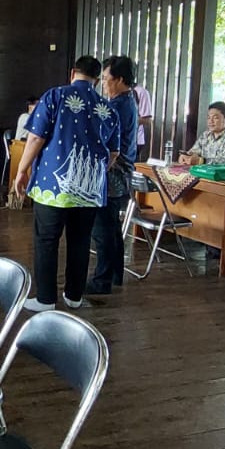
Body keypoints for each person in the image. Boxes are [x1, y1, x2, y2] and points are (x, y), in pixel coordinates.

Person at [14, 56, 118, 313]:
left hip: (53, 186)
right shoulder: (108, 108)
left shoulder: (55, 96)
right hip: (90, 191)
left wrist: (21, 170)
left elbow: (35, 138)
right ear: (96, 80)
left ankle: (46, 299)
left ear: (72, 73)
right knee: (80, 241)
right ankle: (74, 296)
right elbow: (113, 152)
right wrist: (96, 173)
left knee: (47, 240)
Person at [88, 55, 139, 297]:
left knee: (103, 229)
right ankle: (115, 275)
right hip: (123, 171)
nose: (103, 84)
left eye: (106, 78)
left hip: (113, 172)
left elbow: (103, 142)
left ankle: (102, 281)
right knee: (111, 227)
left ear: (119, 79)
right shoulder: (128, 101)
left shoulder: (117, 106)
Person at [181, 101, 225, 165]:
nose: (210, 121)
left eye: (215, 118)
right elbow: (194, 152)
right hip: (205, 171)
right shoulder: (205, 135)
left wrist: (201, 161)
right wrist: (186, 157)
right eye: (208, 117)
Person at [132, 82, 155, 157]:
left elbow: (147, 120)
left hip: (135, 141)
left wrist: (127, 121)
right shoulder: (114, 92)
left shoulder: (141, 92)